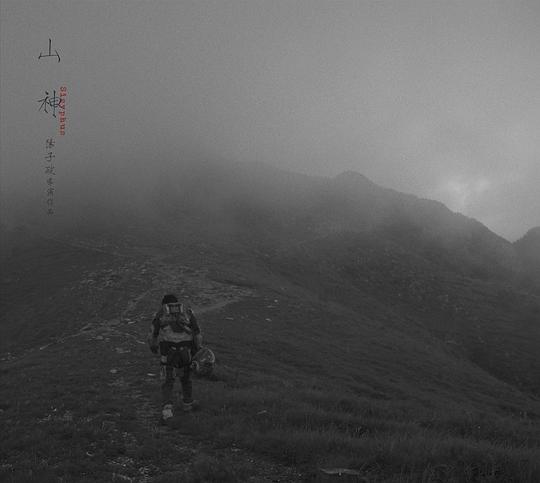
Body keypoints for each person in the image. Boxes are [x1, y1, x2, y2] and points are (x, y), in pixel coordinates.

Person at [148, 294, 202, 420]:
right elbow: (197, 333)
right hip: (186, 352)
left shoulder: (161, 314)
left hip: (168, 352)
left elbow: (152, 335)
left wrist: (153, 347)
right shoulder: (188, 312)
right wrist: (198, 349)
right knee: (186, 378)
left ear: (164, 304)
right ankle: (187, 404)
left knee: (168, 380)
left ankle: (167, 410)